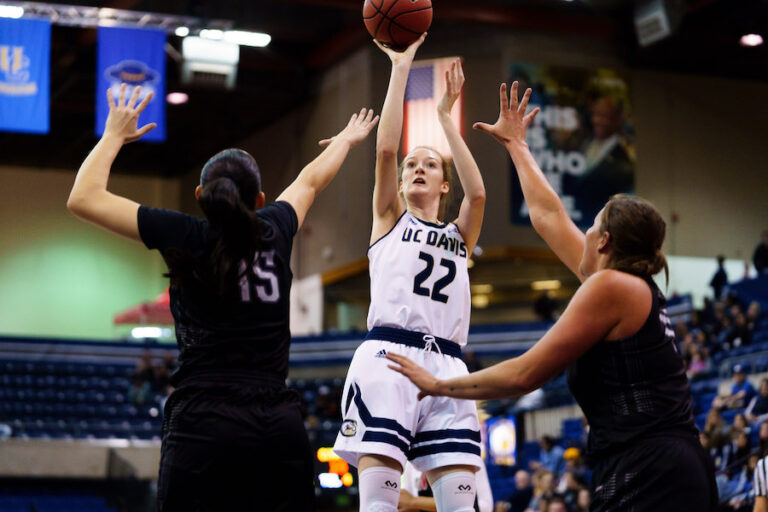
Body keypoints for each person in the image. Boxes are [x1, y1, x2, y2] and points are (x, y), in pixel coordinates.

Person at [388, 81, 718, 511]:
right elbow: (548, 215)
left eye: (593, 226)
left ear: (604, 241)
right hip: (659, 464)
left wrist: (439, 385)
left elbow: (526, 374)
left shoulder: (611, 287)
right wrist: (516, 146)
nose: (583, 233)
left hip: (653, 468)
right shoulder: (624, 284)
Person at [67, 83, 379, 510]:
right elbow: (311, 179)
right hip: (277, 423)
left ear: (201, 196)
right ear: (260, 200)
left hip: (204, 422)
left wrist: (114, 136)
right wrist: (345, 139)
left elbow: (83, 198)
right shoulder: (276, 227)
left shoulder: (184, 234)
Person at [332, 34, 488, 512]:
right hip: (388, 357)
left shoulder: (460, 234)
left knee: (459, 508)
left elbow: (478, 194)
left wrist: (445, 118)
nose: (418, 168)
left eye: (431, 164)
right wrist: (401, 67)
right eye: (411, 165)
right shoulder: (389, 218)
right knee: (380, 504)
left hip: (449, 365)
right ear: (400, 183)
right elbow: (383, 152)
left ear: (444, 183)